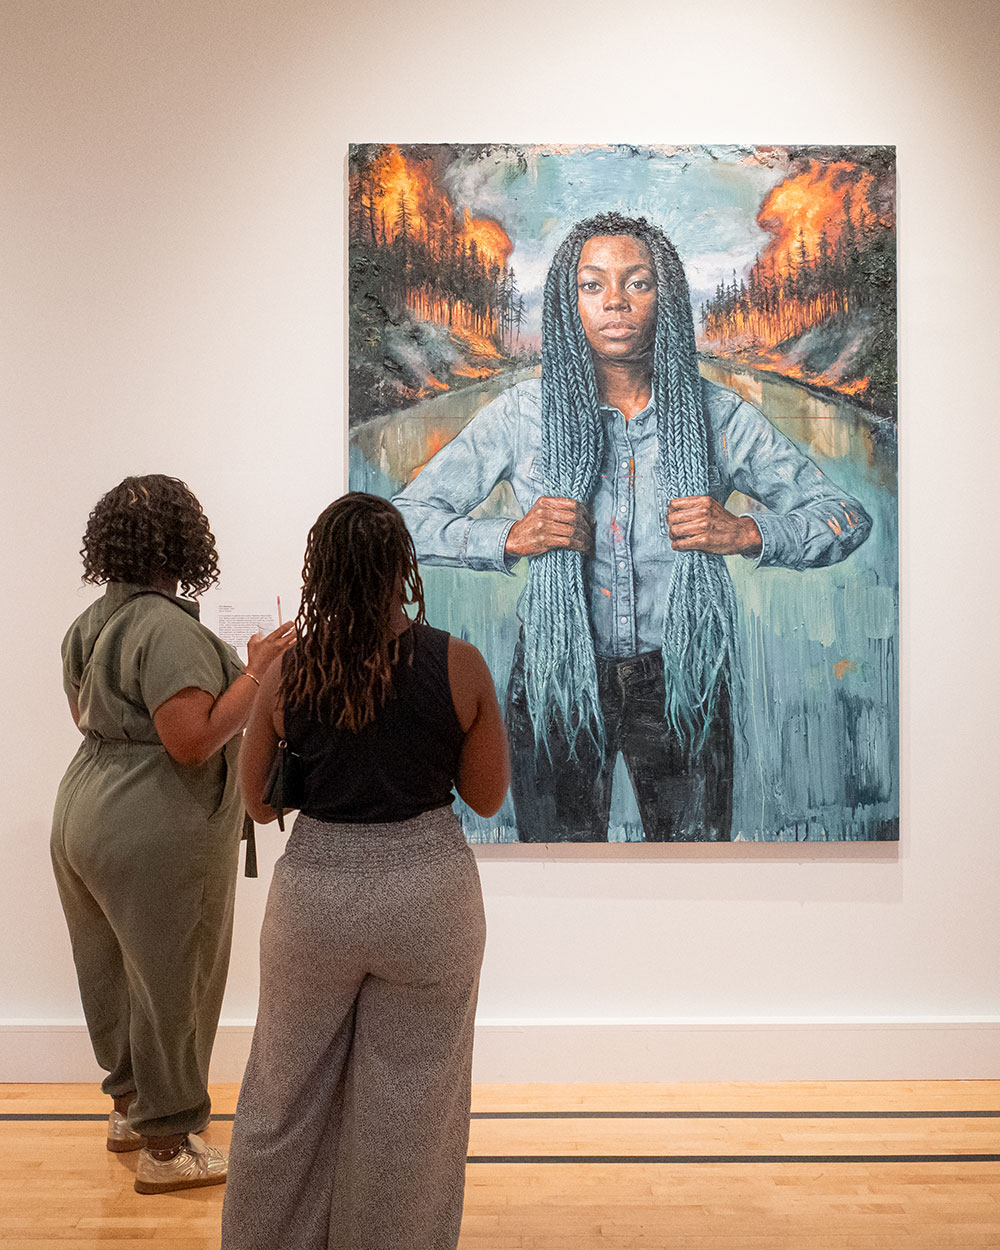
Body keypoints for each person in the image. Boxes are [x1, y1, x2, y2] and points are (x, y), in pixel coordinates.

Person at [394, 211, 873, 844]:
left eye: (637, 283)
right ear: (570, 302)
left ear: (665, 297)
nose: (615, 302)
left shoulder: (717, 416)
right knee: (558, 875)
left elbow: (846, 518)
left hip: (686, 675)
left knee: (694, 875)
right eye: (593, 285)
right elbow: (399, 521)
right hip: (554, 673)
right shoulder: (520, 415)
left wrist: (746, 533)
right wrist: (509, 537)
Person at [220, 492, 509, 1250]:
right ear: (401, 567)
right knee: (412, 1109)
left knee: (283, 1100)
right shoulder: (459, 663)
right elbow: (485, 796)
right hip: (428, 895)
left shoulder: (285, 675)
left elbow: (255, 804)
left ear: (319, 572)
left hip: (317, 893)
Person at [50, 474, 294, 1194]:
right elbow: (191, 741)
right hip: (155, 824)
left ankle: (131, 1111)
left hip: (84, 811)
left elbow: (83, 717)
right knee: (172, 981)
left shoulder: (89, 624)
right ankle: (168, 1147)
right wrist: (259, 674)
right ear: (185, 539)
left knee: (113, 976)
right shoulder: (166, 629)